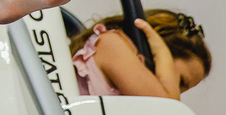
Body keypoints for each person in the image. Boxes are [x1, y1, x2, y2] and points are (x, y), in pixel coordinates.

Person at [70, 9, 212, 99]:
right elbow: (167, 110)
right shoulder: (111, 44)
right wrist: (162, 52)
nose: (176, 94)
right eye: (180, 82)